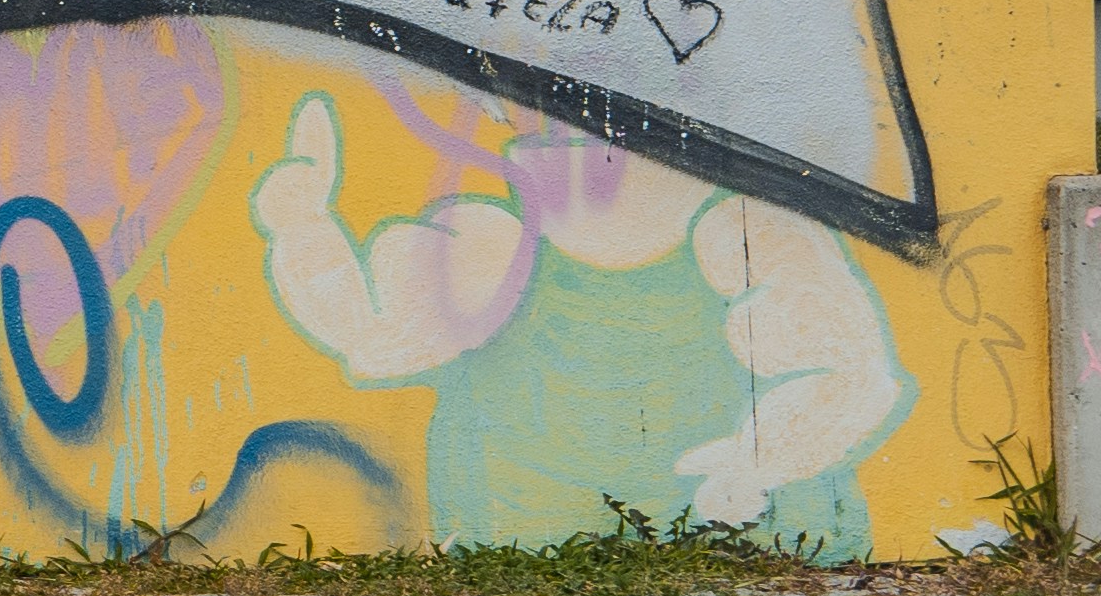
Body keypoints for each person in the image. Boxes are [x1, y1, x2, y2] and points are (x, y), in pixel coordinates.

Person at [245, 86, 904, 554]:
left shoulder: (744, 233)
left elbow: (852, 372)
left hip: (723, 533)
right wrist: (302, 231)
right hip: (510, 529)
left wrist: (756, 464)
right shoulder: (485, 242)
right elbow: (371, 333)